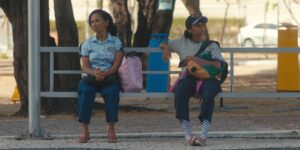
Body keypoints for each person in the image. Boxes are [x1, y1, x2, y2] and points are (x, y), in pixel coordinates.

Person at [160, 14, 226, 146]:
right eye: (198, 25)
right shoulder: (181, 42)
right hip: (189, 77)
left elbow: (218, 66)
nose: (202, 28)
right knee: (180, 93)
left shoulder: (211, 45)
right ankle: (188, 135)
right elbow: (163, 42)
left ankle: (203, 135)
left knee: (209, 95)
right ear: (189, 29)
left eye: (203, 25)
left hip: (208, 77)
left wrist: (194, 59)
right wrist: (166, 48)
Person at [77, 9, 124, 143]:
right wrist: (95, 73)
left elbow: (116, 65)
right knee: (85, 92)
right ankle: (85, 131)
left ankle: (111, 130)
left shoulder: (116, 42)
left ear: (106, 22)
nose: (94, 24)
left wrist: (105, 73)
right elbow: (85, 66)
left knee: (112, 93)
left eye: (97, 21)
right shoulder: (87, 43)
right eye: (92, 22)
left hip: (109, 78)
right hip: (91, 78)